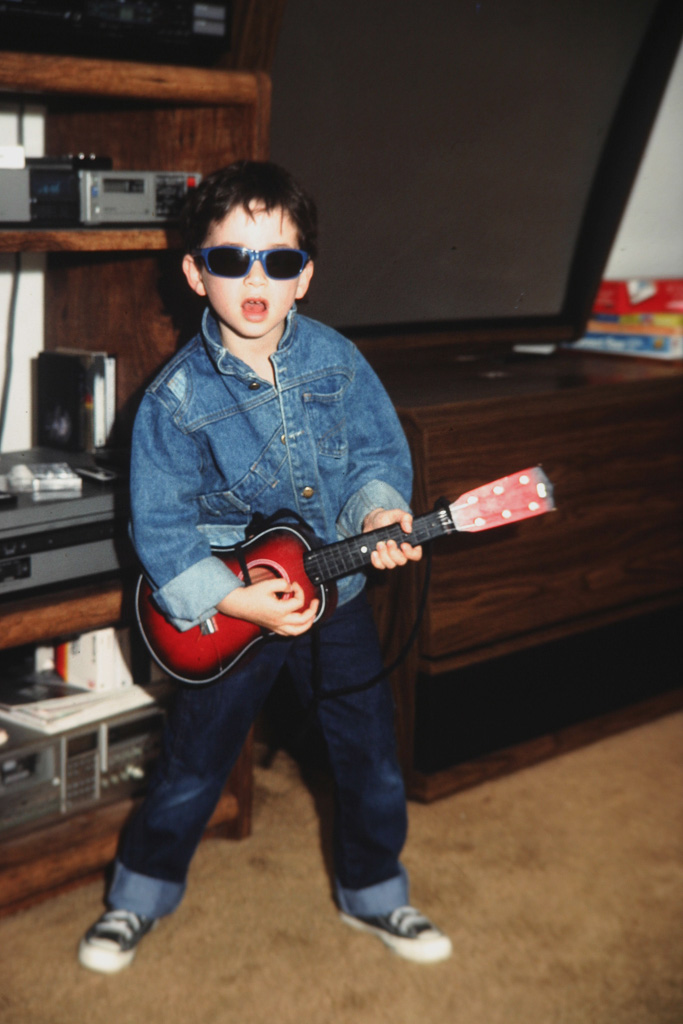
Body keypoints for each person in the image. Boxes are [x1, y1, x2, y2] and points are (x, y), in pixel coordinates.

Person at [78, 160, 452, 973]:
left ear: (304, 276)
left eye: (279, 261)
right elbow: (163, 526)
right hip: (228, 620)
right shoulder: (174, 401)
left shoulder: (339, 362)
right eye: (230, 259)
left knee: (369, 750)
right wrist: (239, 602)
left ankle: (374, 890)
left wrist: (380, 513)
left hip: (336, 597)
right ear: (194, 273)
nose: (256, 278)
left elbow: (375, 458)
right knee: (193, 760)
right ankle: (137, 895)